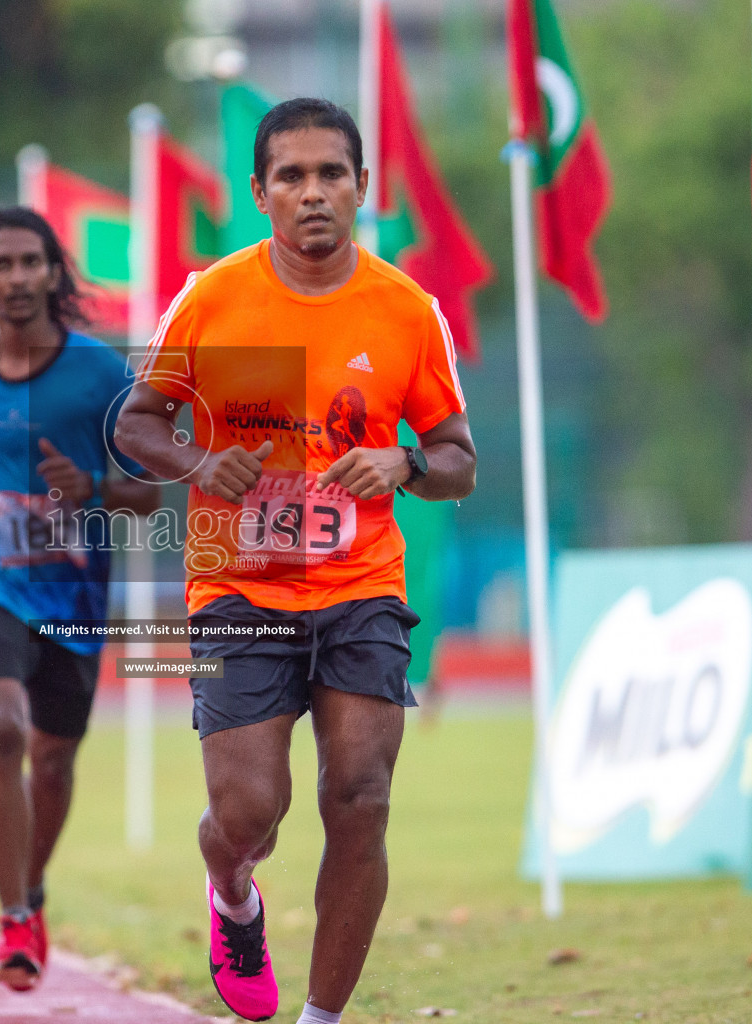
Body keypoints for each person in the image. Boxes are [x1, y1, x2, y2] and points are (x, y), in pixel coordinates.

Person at [114, 98, 478, 1024]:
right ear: (260, 192)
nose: (314, 193)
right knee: (249, 813)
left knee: (359, 792)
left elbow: (458, 463)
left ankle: (321, 1016)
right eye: (293, 176)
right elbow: (134, 424)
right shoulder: (212, 297)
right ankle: (234, 895)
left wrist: (405, 462)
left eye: (332, 174)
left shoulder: (407, 310)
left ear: (362, 186)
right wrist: (202, 462)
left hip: (361, 585)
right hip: (238, 584)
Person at [0, 207, 157, 992]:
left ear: (55, 273)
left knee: (52, 763)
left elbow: (148, 495)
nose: (16, 279)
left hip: (75, 593)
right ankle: (15, 919)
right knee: (3, 728)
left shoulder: (102, 374)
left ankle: (30, 892)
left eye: (30, 263)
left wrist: (95, 490)